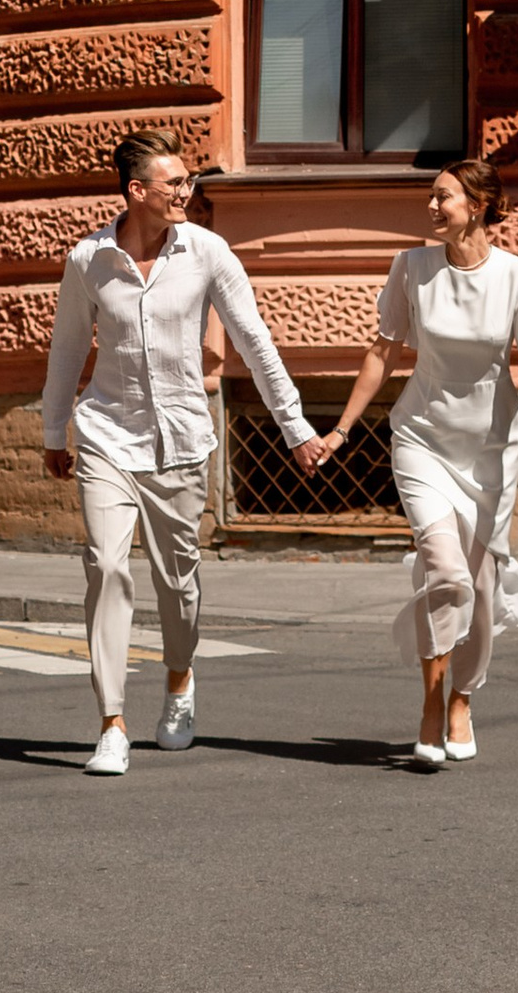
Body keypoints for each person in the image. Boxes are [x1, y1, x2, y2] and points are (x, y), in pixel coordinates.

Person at [41, 132, 322, 773]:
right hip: (109, 433)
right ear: (136, 191)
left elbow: (253, 339)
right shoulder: (88, 259)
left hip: (180, 441)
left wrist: (296, 426)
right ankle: (111, 723)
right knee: (105, 566)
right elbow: (65, 349)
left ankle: (178, 680)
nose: (186, 192)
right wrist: (55, 432)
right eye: (175, 183)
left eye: (188, 181)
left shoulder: (206, 251)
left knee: (178, 583)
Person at [318, 159, 518, 765]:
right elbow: (383, 351)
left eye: (443, 197)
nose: (431, 207)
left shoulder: (517, 276)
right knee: (446, 575)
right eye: (431, 197)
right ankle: (431, 700)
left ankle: (463, 697)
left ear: (478, 206)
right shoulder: (412, 268)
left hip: (489, 451)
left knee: (479, 590)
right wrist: (342, 429)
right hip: (421, 439)